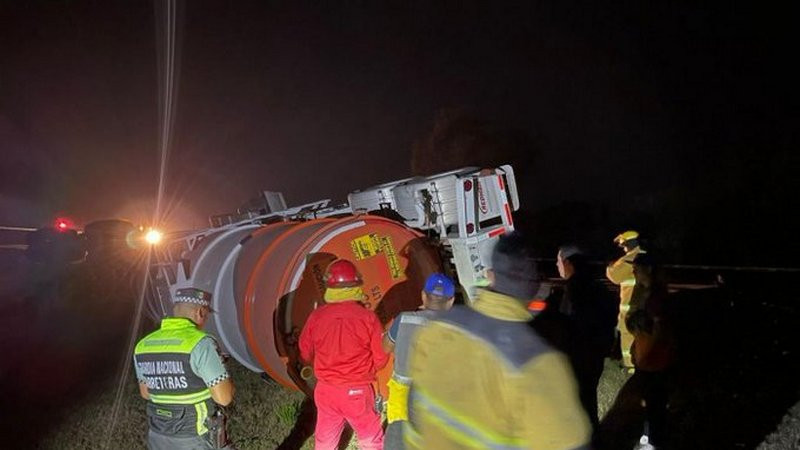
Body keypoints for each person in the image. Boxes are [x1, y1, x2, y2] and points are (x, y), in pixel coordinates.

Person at [405, 232, 591, 449]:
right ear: (535, 287)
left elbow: (415, 408)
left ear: (491, 275)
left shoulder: (438, 328)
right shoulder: (538, 362)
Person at [299, 259, 388, 450]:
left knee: (325, 440)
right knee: (370, 439)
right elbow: (380, 358)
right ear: (356, 285)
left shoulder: (316, 316)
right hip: (356, 393)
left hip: (326, 391)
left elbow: (305, 352)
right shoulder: (368, 318)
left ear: (329, 287)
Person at [133, 287, 236, 450]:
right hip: (195, 437)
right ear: (200, 312)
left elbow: (146, 393)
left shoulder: (143, 345)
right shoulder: (201, 343)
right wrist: (220, 366)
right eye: (206, 315)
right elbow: (224, 398)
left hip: (158, 436)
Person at [382, 273, 456, 450]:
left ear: (423, 295)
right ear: (451, 301)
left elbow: (385, 347)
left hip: (402, 394)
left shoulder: (405, 319)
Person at [556, 245, 619, 429]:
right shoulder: (595, 286)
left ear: (568, 263)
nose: (557, 266)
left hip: (579, 357)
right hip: (595, 355)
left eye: (558, 262)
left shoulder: (574, 289)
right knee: (588, 399)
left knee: (579, 402)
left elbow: (568, 325)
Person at [626, 253, 675, 448]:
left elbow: (659, 331)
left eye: (637, 268)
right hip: (646, 358)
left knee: (655, 403)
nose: (634, 271)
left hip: (654, 361)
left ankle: (655, 440)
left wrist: (646, 353)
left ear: (649, 270)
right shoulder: (643, 293)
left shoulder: (657, 297)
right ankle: (650, 436)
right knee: (649, 401)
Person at [606, 230, 647, 370]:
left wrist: (611, 266)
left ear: (628, 244)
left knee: (628, 337)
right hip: (640, 306)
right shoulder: (644, 256)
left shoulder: (630, 258)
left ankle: (631, 367)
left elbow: (614, 276)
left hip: (630, 308)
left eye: (623, 245)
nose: (623, 249)